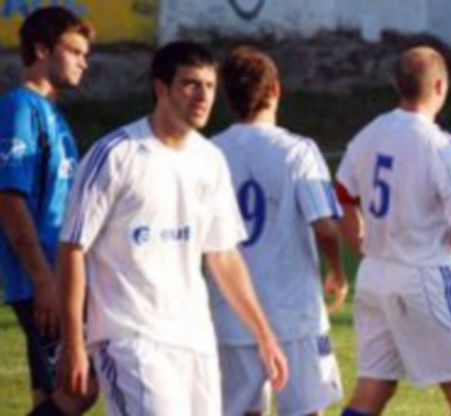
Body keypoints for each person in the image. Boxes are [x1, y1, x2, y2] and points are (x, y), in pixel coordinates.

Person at [56, 41, 288, 416]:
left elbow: (223, 255)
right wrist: (73, 344)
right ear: (161, 88)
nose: (203, 96)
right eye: (190, 84)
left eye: (209, 86)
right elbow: (72, 247)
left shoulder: (210, 159)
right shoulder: (116, 154)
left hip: (194, 340)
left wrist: (264, 334)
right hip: (129, 339)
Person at [335, 46, 451, 416]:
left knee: (373, 387)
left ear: (397, 84)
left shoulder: (370, 133)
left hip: (374, 275)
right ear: (440, 85)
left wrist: (360, 243)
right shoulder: (438, 144)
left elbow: (341, 194)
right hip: (424, 273)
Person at [210, 46, 348, 416]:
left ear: (227, 97)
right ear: (275, 90)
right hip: (293, 312)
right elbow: (325, 227)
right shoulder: (298, 151)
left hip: (230, 311)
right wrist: (337, 271)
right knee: (307, 410)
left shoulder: (209, 152)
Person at [0, 6, 97, 415]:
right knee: (79, 388)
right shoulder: (20, 109)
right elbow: (9, 200)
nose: (83, 62)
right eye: (74, 51)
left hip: (57, 278)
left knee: (51, 394)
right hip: (42, 281)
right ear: (42, 50)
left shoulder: (51, 112)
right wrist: (44, 280)